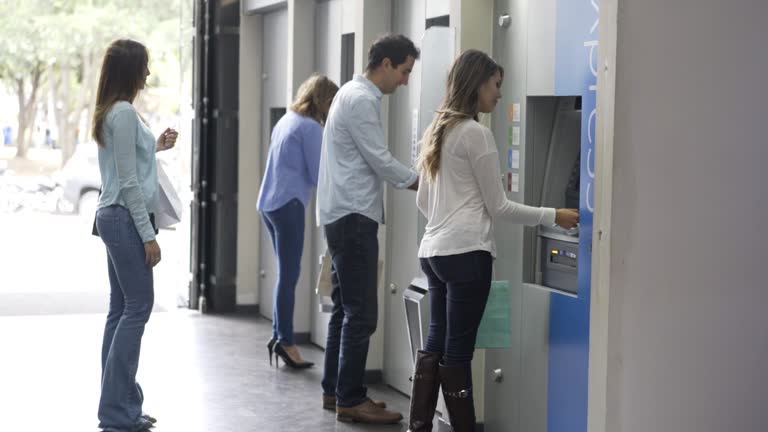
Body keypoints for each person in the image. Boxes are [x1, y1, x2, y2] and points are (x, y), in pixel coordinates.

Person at [407, 50, 579, 432]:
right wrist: (554, 215)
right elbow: (499, 207)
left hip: (433, 253)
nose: (500, 94)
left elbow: (422, 200)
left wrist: (446, 220)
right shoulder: (475, 133)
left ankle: (417, 426)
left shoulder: (438, 130)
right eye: (496, 85)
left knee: (436, 341)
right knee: (459, 352)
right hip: (467, 255)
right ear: (478, 83)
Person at [316, 33, 420, 424]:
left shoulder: (349, 93)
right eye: (405, 71)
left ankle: (336, 389)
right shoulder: (361, 100)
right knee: (362, 314)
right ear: (387, 64)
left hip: (342, 214)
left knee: (344, 309)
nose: (406, 81)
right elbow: (380, 160)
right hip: (354, 217)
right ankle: (351, 398)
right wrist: (422, 183)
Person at [91, 39, 178, 432]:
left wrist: (154, 147)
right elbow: (127, 182)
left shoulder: (113, 111)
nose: (147, 74)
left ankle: (121, 403)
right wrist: (148, 236)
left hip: (112, 217)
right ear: (130, 71)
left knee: (120, 310)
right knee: (138, 307)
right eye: (144, 66)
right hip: (125, 218)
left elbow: (126, 166)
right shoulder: (124, 113)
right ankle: (116, 409)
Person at [257, 74, 339, 369]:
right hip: (288, 205)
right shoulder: (310, 128)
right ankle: (287, 342)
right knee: (289, 276)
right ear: (324, 101)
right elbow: (320, 174)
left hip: (268, 203)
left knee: (284, 274)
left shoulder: (287, 121)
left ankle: (279, 335)